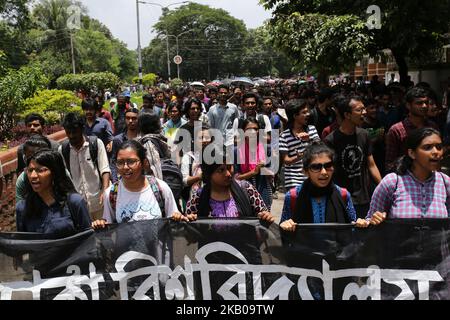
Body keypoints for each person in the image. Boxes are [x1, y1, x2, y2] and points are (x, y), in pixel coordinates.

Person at [357, 128, 450, 227]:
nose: (436, 152)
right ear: (412, 153)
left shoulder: (445, 183)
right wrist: (372, 220)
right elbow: (370, 221)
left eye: (439, 147)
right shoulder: (392, 182)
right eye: (427, 147)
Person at [91, 140, 185, 229]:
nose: (125, 167)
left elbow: (174, 222)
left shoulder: (161, 188)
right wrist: (100, 225)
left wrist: (180, 218)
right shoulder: (111, 194)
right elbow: (108, 229)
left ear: (144, 163)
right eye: (120, 162)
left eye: (131, 162)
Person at [324, 94, 382, 218]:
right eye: (359, 110)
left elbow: (371, 165)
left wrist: (383, 187)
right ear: (347, 115)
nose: (364, 112)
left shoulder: (364, 135)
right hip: (341, 198)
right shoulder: (331, 140)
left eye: (364, 109)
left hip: (363, 198)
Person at [280, 143, 358, 232]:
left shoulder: (343, 194)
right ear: (305, 171)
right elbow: (283, 233)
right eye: (316, 167)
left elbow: (352, 228)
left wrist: (360, 224)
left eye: (328, 166)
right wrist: (285, 225)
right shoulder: (293, 196)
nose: (324, 172)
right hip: (303, 246)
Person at [184, 149, 275, 223]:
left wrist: (265, 216)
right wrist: (190, 220)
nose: (228, 174)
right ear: (209, 174)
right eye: (221, 170)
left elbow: (264, 215)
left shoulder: (246, 189)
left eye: (229, 167)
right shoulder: (197, 198)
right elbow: (190, 236)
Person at [16, 149, 91, 236]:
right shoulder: (22, 208)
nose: (33, 176)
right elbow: (23, 243)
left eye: (40, 170)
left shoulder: (75, 202)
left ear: (54, 173)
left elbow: (88, 240)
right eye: (30, 170)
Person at [60, 113, 111, 220]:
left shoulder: (96, 144)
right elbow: (63, 177)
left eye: (75, 132)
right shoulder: (63, 150)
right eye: (68, 132)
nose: (71, 135)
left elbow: (105, 169)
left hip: (99, 202)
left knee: (104, 234)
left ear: (82, 128)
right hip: (79, 206)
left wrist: (105, 193)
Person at [385, 86, 438, 172]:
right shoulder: (396, 130)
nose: (424, 106)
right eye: (419, 103)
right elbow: (390, 163)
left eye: (426, 102)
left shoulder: (432, 127)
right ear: (408, 105)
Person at [279, 99, 321, 190]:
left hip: (312, 176)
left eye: (307, 111)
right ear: (295, 116)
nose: (308, 114)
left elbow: (320, 149)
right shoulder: (284, 136)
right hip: (293, 180)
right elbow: (286, 160)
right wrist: (299, 156)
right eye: (304, 112)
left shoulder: (312, 129)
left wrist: (309, 140)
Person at [234, 117, 273, 210]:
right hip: (243, 192)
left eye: (255, 129)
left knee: (264, 218)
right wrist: (253, 172)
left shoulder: (266, 148)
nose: (253, 132)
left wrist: (265, 170)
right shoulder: (236, 151)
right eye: (249, 129)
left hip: (263, 189)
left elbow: (272, 174)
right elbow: (235, 178)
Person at [110, 107, 140, 182]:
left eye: (134, 118)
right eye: (128, 118)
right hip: (123, 179)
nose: (130, 121)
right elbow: (113, 161)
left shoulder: (143, 139)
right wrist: (115, 180)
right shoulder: (118, 140)